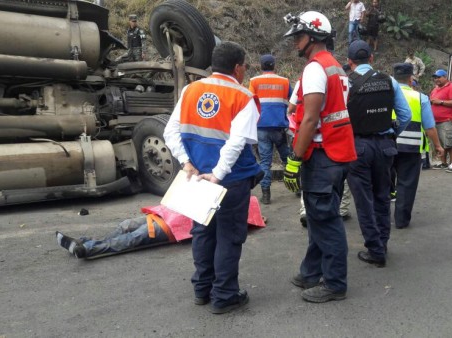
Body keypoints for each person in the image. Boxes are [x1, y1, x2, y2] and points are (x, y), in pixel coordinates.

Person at [163, 41, 262, 314]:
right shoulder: (243, 97)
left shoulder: (190, 90)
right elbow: (236, 143)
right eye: (244, 66)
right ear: (238, 67)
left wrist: (187, 164)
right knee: (229, 236)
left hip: (196, 179)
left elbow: (170, 132)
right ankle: (225, 295)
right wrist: (217, 175)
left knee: (203, 232)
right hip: (230, 180)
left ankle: (202, 289)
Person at [282, 11, 356, 303]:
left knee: (325, 220)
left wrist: (293, 161)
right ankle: (311, 271)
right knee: (318, 216)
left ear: (313, 37)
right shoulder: (335, 67)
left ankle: (335, 283)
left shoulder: (315, 69)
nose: (295, 43)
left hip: (323, 156)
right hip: (337, 154)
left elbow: (310, 119)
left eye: (298, 37)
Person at [345, 40, 411, 267]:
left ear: (349, 62)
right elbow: (406, 115)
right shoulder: (389, 81)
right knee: (382, 196)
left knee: (363, 201)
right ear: (371, 59)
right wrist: (391, 134)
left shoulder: (347, 83)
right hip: (385, 147)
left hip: (358, 148)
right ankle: (382, 243)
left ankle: (375, 249)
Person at [55, 200, 266, 259]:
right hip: (166, 215)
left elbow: (245, 220)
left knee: (132, 238)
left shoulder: (242, 204)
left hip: (171, 226)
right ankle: (88, 242)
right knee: (125, 226)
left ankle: (88, 248)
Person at [288, 80, 353, 226]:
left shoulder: (307, 80)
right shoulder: (345, 80)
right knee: (342, 181)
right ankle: (341, 209)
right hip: (341, 138)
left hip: (315, 140)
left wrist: (295, 159)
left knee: (310, 179)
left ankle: (305, 210)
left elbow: (297, 110)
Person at [391, 63, 444, 229]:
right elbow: (429, 126)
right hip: (411, 148)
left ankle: (379, 217)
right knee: (407, 184)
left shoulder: (386, 95)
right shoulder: (420, 98)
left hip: (387, 144)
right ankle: (401, 220)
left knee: (383, 182)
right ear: (410, 78)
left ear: (393, 77)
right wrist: (438, 146)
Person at [249, 54, 292, 204]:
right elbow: (293, 101)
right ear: (274, 66)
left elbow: (249, 104)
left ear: (261, 67)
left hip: (261, 128)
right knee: (288, 159)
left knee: (265, 162)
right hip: (279, 127)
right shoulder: (284, 82)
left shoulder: (253, 82)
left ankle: (266, 195)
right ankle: (298, 188)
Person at [429, 69, 452, 173]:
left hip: (447, 120)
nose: (436, 79)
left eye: (439, 77)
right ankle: (443, 163)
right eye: (435, 77)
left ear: (445, 77)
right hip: (436, 121)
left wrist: (441, 102)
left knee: (450, 142)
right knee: (441, 143)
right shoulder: (435, 89)